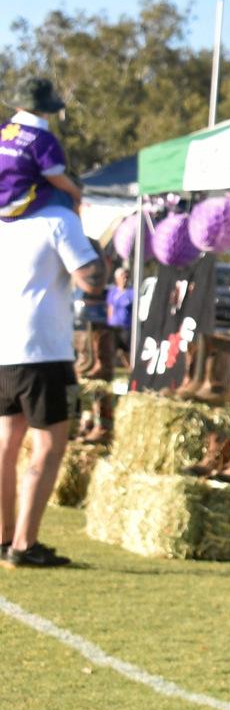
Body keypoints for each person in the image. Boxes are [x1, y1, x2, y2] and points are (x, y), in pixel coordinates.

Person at [0, 202, 103, 568]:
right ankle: (24, 544)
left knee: (6, 443)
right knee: (48, 446)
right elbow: (91, 281)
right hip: (43, 351)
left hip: (5, 348)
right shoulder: (60, 218)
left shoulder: (6, 219)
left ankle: (4, 536)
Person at [0, 79, 82, 221]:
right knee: (66, 197)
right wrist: (77, 194)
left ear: (18, 107)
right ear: (47, 109)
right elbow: (56, 177)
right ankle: (75, 232)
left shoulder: (3, 129)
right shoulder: (43, 139)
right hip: (18, 204)